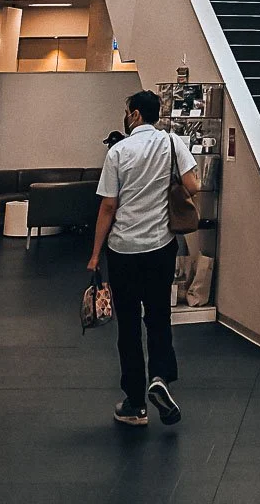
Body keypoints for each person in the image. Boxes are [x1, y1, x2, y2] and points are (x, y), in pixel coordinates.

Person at [89, 89, 198, 428]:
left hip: (123, 250)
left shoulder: (118, 151)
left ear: (134, 114)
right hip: (160, 246)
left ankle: (135, 404)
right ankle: (161, 378)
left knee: (128, 326)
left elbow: (108, 205)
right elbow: (193, 185)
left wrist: (95, 255)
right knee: (158, 317)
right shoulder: (171, 143)